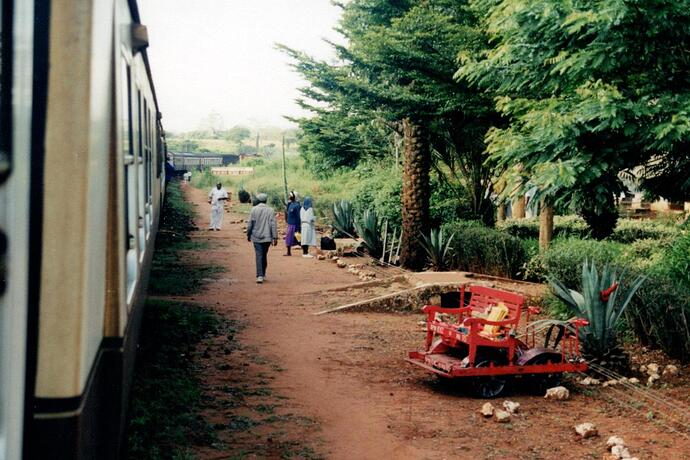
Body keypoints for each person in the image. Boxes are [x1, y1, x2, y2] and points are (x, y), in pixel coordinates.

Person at [247, 193, 278, 283]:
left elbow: (250, 224)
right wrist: (275, 237)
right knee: (264, 255)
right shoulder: (270, 210)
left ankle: (260, 275)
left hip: (256, 236)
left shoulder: (254, 210)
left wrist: (248, 234)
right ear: (266, 200)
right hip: (267, 237)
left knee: (259, 255)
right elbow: (273, 224)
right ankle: (262, 274)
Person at [284, 191, 301, 256]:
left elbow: (298, 216)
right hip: (290, 224)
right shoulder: (290, 204)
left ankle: (305, 251)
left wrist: (298, 226)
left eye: (290, 196)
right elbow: (287, 212)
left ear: (294, 197)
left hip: (294, 224)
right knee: (289, 238)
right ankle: (288, 252)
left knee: (298, 238)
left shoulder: (297, 205)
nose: (289, 197)